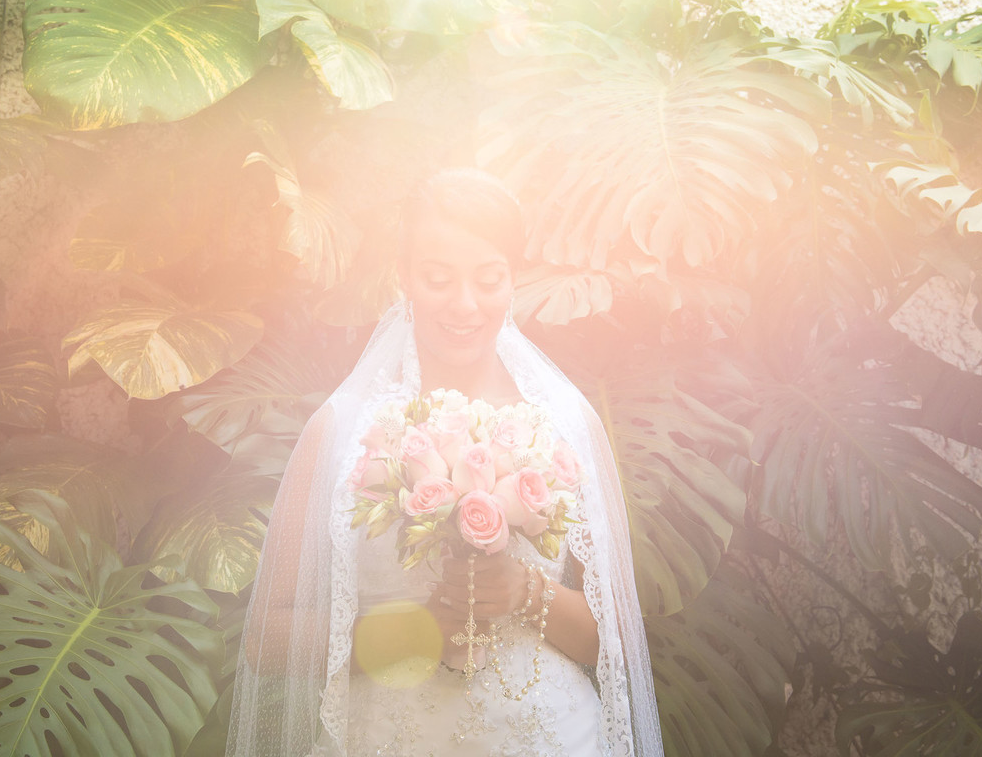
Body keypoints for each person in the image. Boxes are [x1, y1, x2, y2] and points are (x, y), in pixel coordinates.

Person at [226, 169, 663, 756]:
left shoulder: (567, 422)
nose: (465, 304)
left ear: (513, 277)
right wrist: (415, 631)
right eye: (438, 279)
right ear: (403, 276)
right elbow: (266, 639)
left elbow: (614, 644)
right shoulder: (343, 429)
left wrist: (526, 590)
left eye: (489, 279)